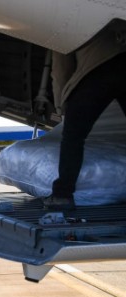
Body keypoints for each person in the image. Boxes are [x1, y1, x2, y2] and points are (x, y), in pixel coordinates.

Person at [44, 24, 126, 210]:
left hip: (96, 69)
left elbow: (61, 69)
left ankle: (62, 195)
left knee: (73, 138)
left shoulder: (60, 17)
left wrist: (60, 105)